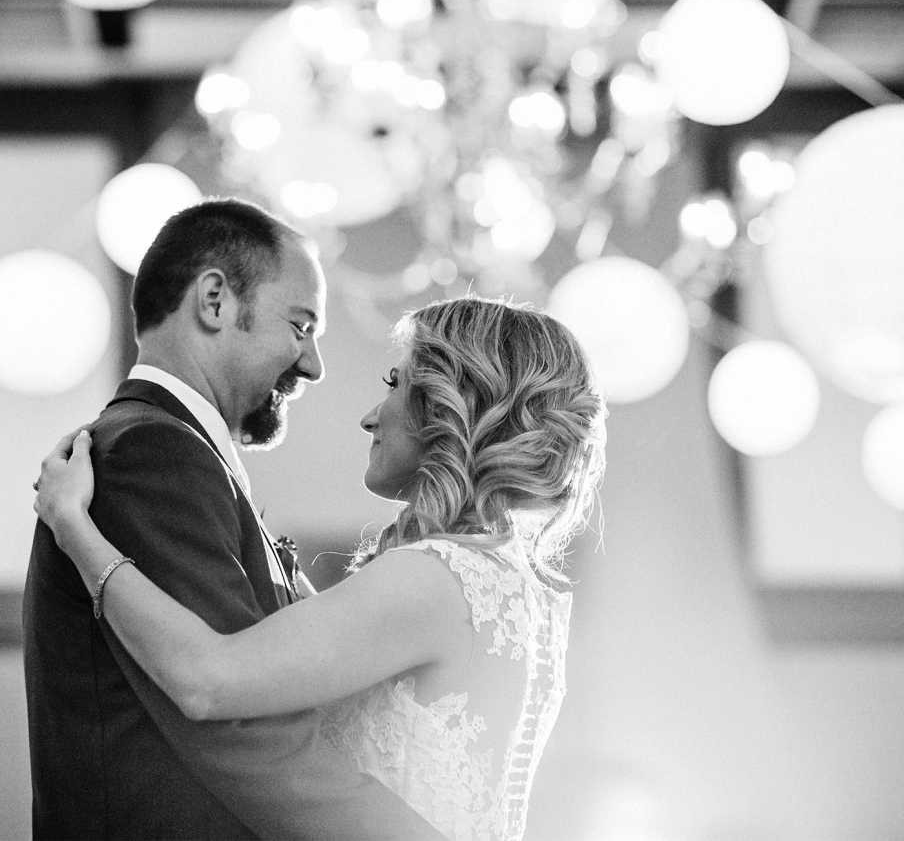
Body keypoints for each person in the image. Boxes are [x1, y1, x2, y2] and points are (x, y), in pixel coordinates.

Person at [35, 292, 607, 841]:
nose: (370, 417)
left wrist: (75, 529)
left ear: (449, 406)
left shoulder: (434, 579)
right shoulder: (507, 585)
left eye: (396, 383)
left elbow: (205, 683)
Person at [23, 198, 442, 840]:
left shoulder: (178, 451)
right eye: (301, 325)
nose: (313, 365)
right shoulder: (149, 453)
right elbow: (237, 724)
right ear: (215, 300)